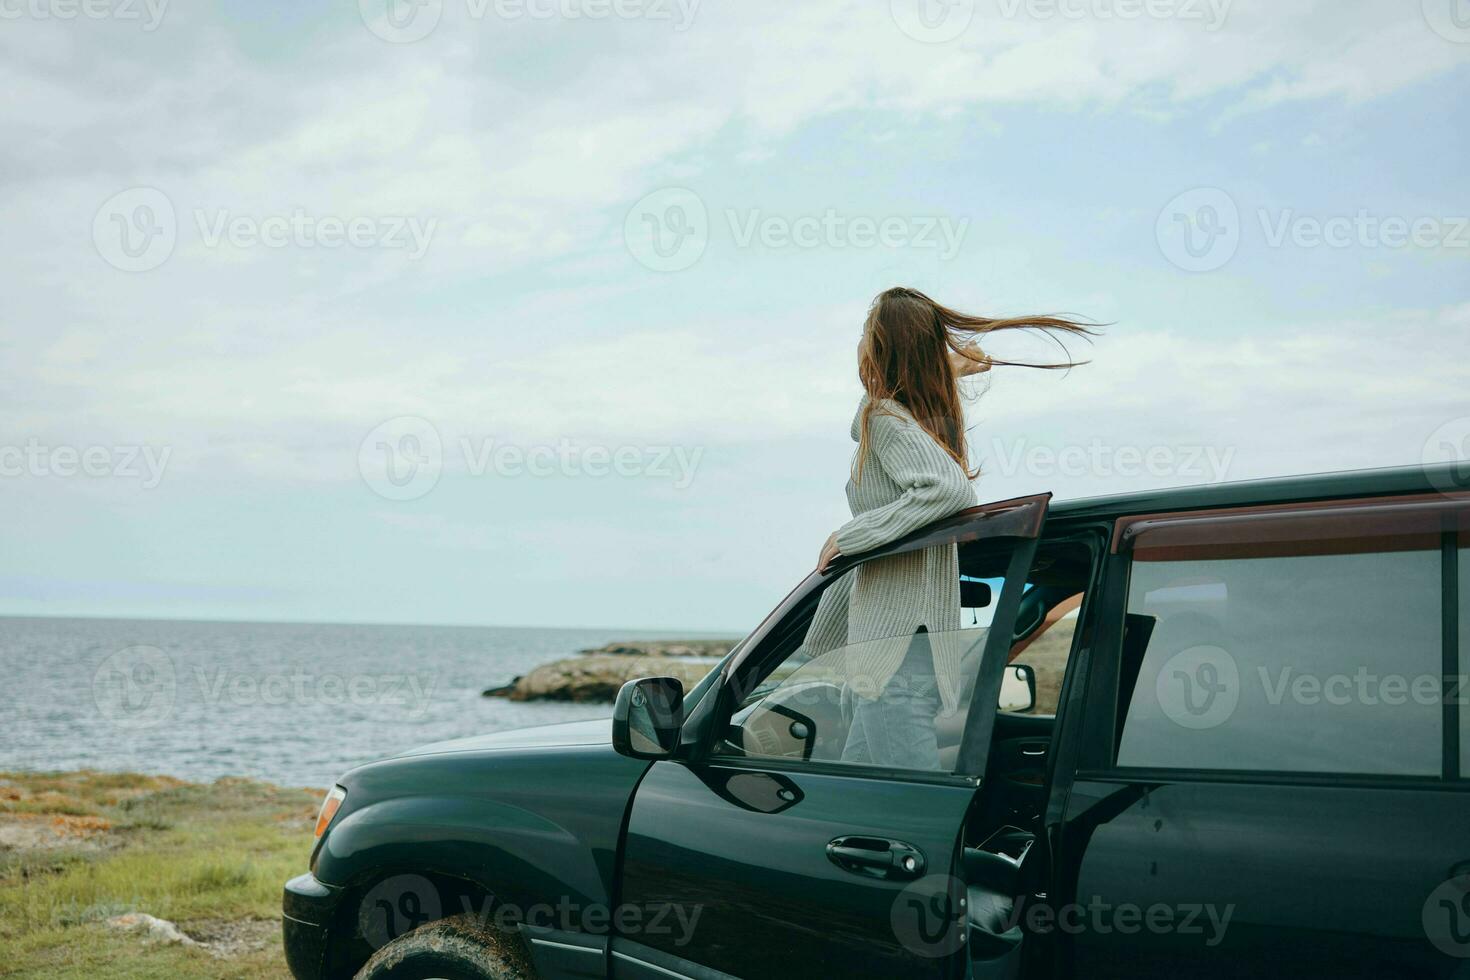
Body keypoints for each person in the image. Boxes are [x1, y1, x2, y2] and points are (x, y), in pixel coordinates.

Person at [805, 287, 1092, 770]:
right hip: (895, 656)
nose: (857, 343)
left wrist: (851, 536)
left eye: (865, 333)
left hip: (894, 657)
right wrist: (952, 368)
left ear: (882, 348)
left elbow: (947, 490)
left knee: (909, 813)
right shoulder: (907, 419)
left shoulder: (884, 416)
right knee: (862, 795)